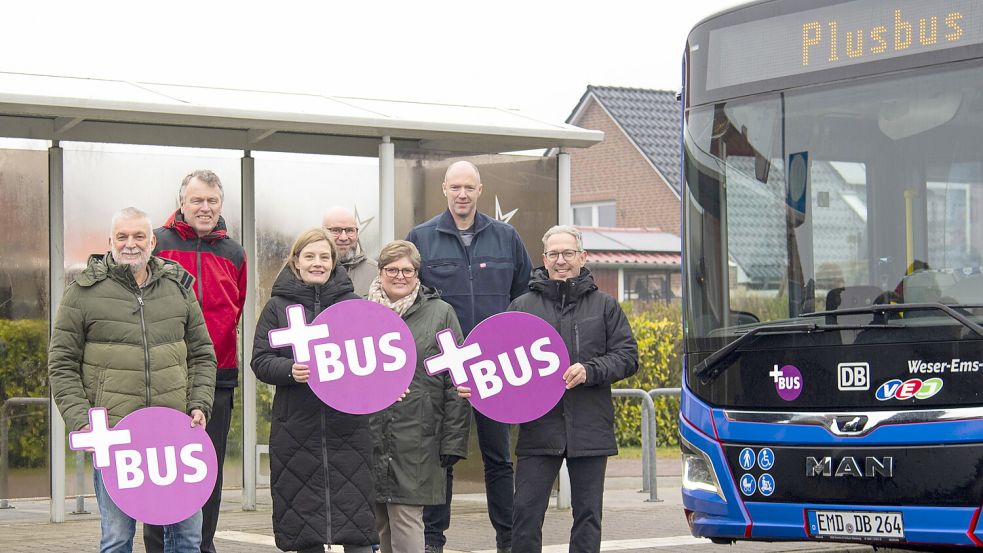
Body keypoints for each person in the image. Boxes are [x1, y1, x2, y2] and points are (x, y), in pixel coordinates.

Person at [49, 207, 217, 553]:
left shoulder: (179, 288)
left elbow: (203, 355)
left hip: (175, 437)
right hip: (115, 438)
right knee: (116, 540)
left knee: (187, 539)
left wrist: (199, 404)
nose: (130, 244)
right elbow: (61, 364)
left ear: (152, 241)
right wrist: (83, 423)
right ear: (110, 242)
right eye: (122, 237)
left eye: (138, 236)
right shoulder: (82, 293)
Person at [476, 225, 638, 553]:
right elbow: (496, 360)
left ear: (582, 257)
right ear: (544, 259)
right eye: (553, 254)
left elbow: (627, 357)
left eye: (567, 253)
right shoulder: (522, 306)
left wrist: (590, 370)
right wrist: (477, 385)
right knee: (525, 513)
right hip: (539, 427)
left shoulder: (605, 306)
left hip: (590, 426)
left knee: (588, 515)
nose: (560, 260)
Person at [406, 160, 533, 553]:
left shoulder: (506, 237)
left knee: (499, 459)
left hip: (494, 366)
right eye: (455, 187)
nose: (462, 194)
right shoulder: (422, 237)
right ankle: (432, 542)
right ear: (444, 189)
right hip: (444, 366)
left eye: (469, 188)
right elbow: (411, 295)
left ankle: (508, 542)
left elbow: (524, 294)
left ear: (480, 190)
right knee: (441, 457)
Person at [251, 227, 377, 553]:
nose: (317, 263)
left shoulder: (352, 305)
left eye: (324, 257)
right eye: (309, 256)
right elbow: (261, 360)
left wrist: (389, 387)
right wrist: (289, 370)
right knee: (304, 529)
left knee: (357, 527)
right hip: (296, 429)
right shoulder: (277, 307)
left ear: (334, 262)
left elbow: (374, 359)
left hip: (347, 429)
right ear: (295, 261)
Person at [145, 169, 247, 553]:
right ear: (182, 203)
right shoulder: (158, 243)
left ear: (221, 204)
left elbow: (235, 310)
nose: (205, 208)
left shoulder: (234, 252)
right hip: (166, 376)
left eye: (212, 201)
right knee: (162, 468)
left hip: (218, 376)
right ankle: (158, 546)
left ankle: (202, 545)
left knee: (208, 469)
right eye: (197, 200)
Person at [366, 240, 471, 553]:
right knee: (380, 521)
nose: (400, 276)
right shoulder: (361, 311)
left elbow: (457, 380)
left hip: (418, 436)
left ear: (418, 274)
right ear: (380, 272)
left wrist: (453, 441)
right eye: (392, 269)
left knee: (406, 519)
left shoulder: (440, 314)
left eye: (408, 270)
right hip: (370, 432)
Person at [323, 205, 376, 297]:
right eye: (336, 230)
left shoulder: (376, 272)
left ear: (357, 233)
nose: (343, 237)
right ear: (323, 232)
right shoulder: (311, 270)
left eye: (349, 230)